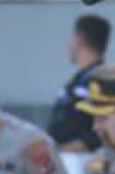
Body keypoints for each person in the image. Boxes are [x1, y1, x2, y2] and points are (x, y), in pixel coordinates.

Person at [47, 15, 111, 153]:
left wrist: (61, 151)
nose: (69, 46)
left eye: (72, 38)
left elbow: (101, 132)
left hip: (82, 162)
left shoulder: (101, 81)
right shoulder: (79, 80)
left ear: (79, 39)